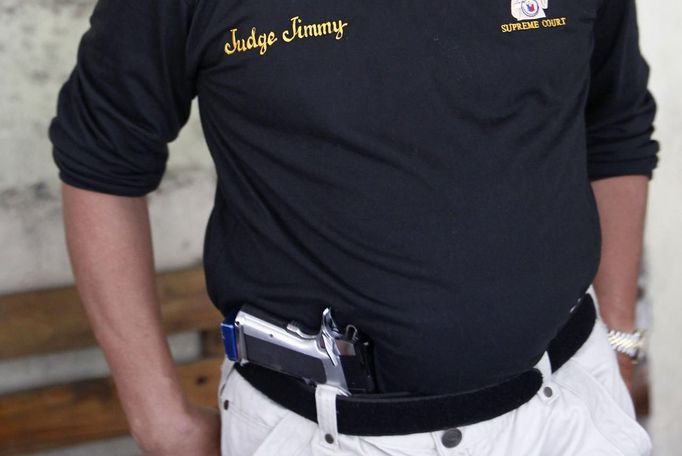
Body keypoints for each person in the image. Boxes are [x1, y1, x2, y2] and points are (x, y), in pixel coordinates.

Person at [48, 0, 658, 454]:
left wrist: (621, 344)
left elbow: (614, 127)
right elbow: (101, 162)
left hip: (569, 410)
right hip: (321, 432)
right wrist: (158, 421)